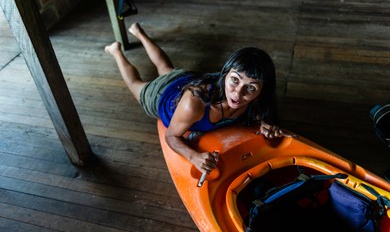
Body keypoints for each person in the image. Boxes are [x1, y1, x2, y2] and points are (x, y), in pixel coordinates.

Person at [105, 23, 291, 175]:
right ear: (224, 74)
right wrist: (194, 156)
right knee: (135, 83)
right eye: (235, 80)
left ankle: (139, 32)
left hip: (187, 79)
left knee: (166, 68)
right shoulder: (194, 104)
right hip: (163, 95)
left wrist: (265, 125)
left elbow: (259, 119)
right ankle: (116, 52)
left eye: (251, 88)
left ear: (262, 91)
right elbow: (171, 135)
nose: (238, 93)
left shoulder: (257, 103)